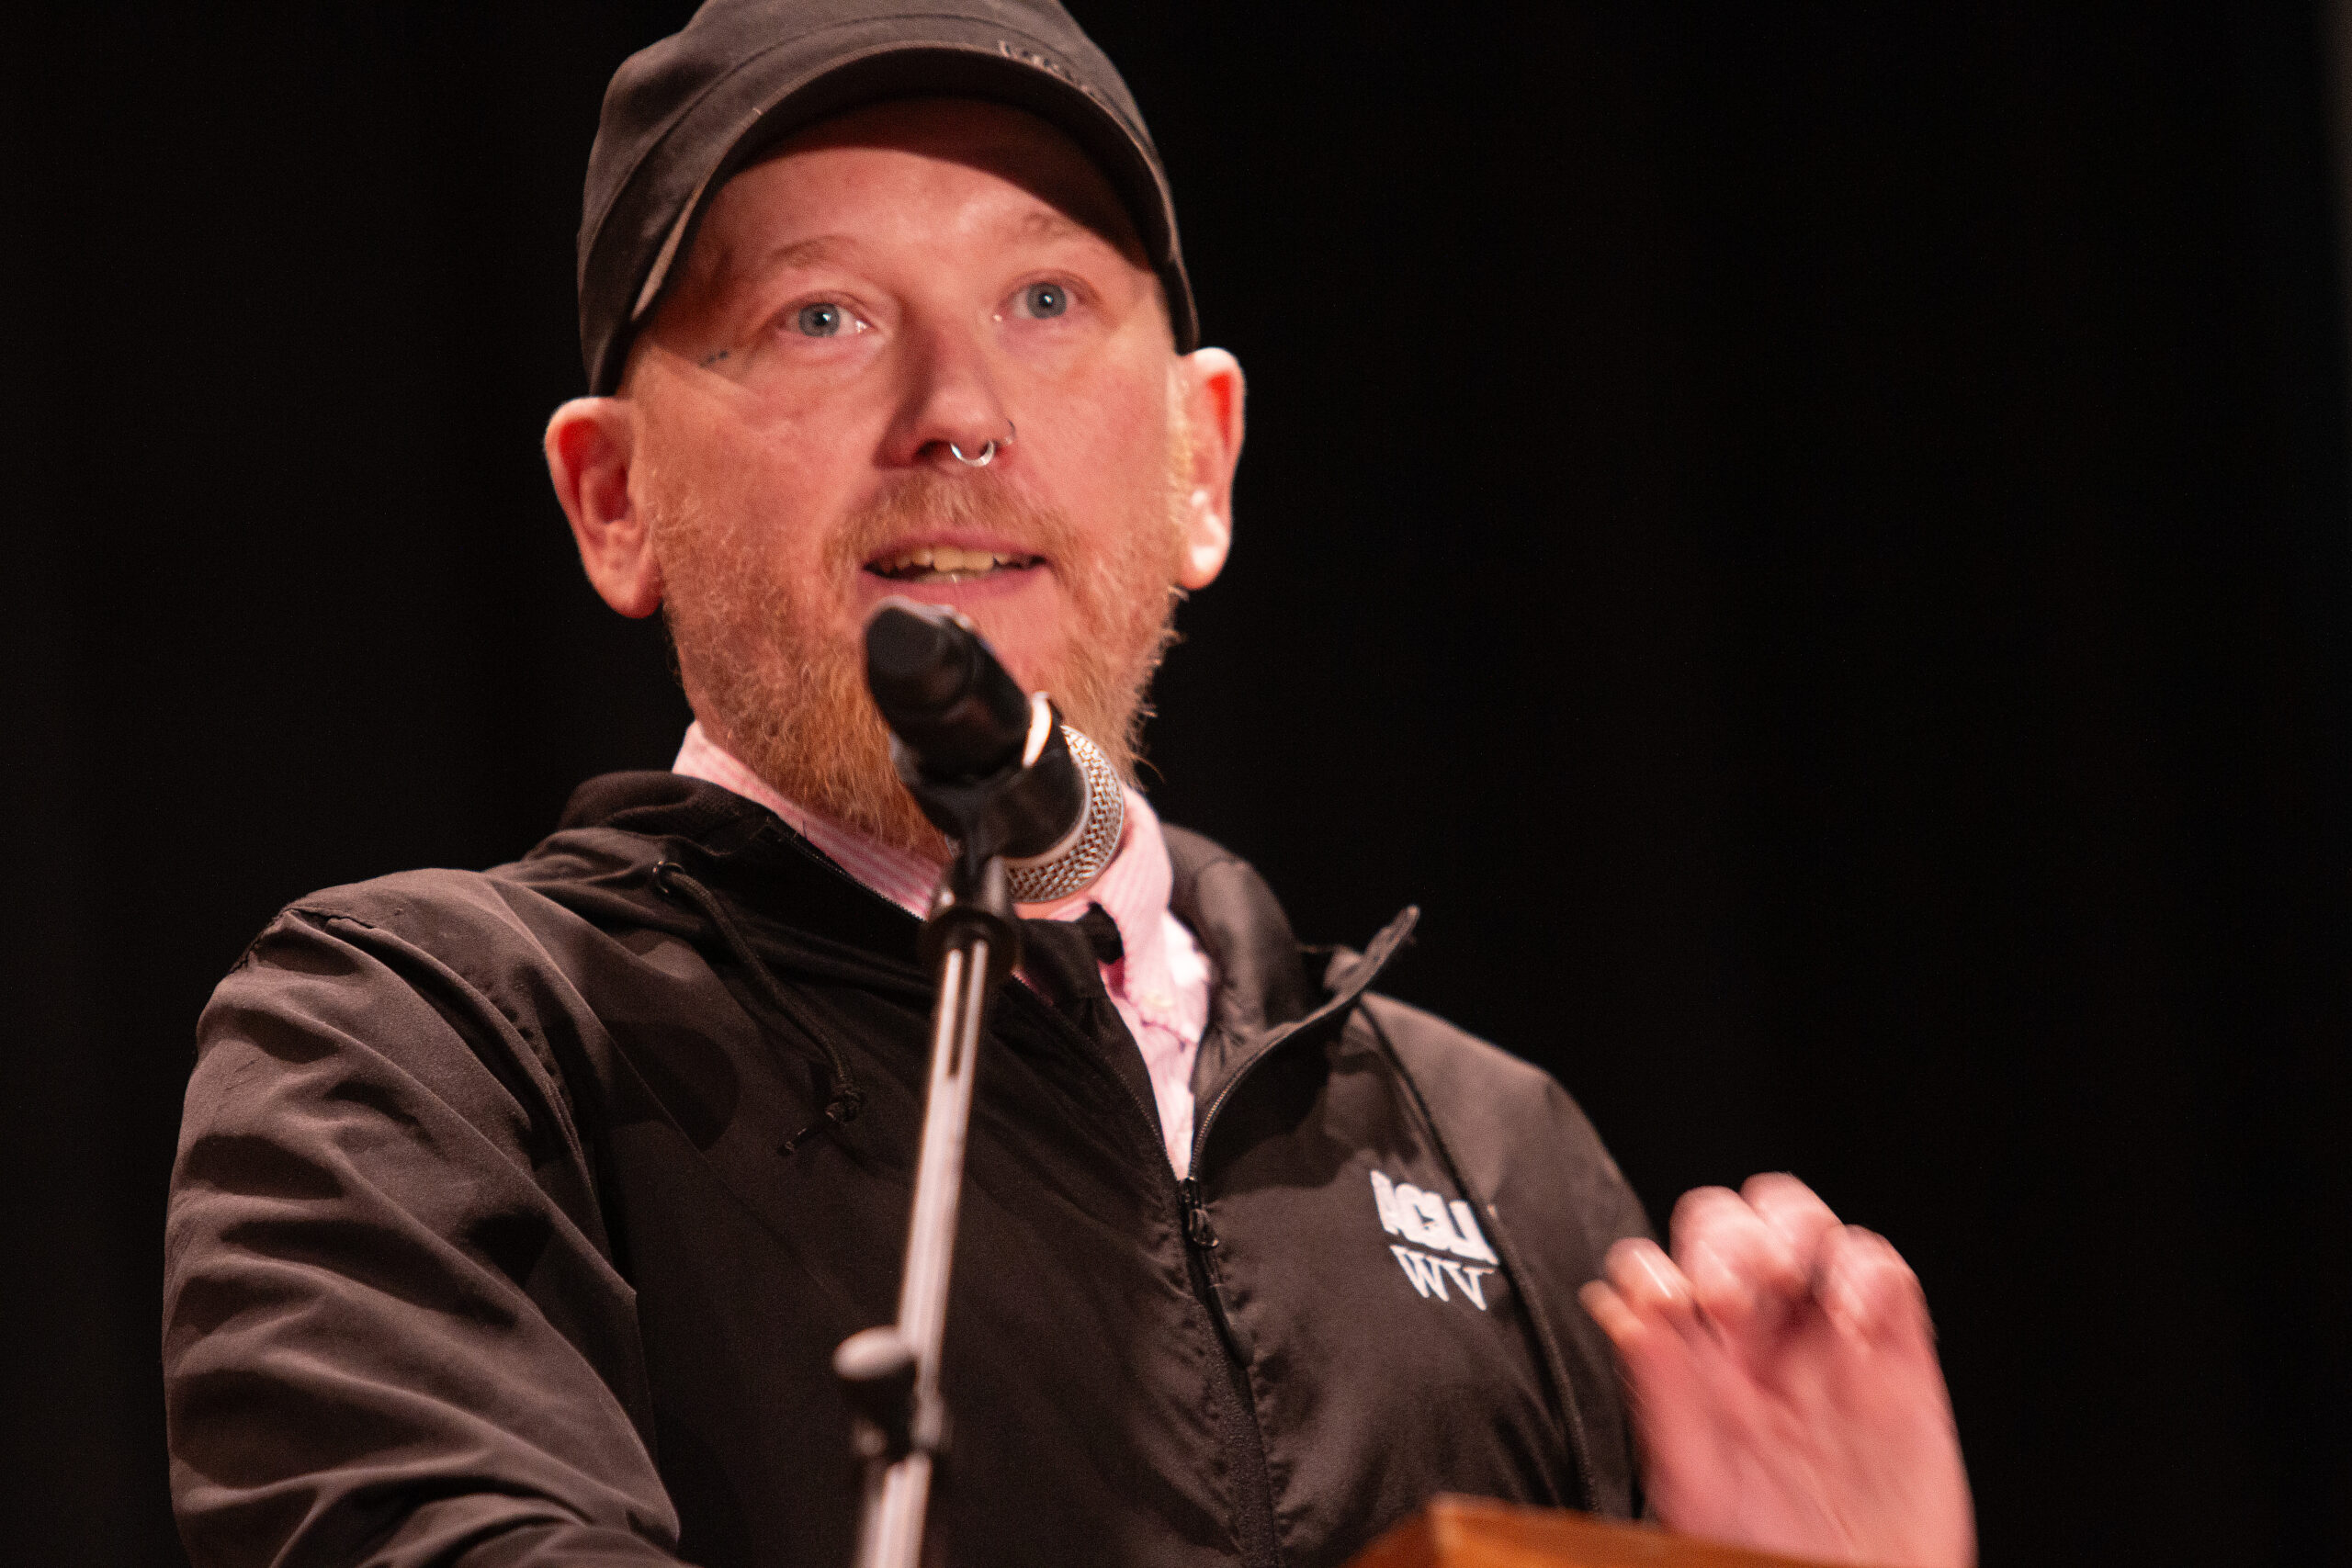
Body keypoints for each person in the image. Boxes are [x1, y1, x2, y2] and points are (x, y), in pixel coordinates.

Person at [161, 4, 1973, 1566]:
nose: (957, 409)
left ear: (1201, 462)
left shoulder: (1490, 1155)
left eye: (1042, 298)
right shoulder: (428, 1050)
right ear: (612, 498)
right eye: (819, 319)